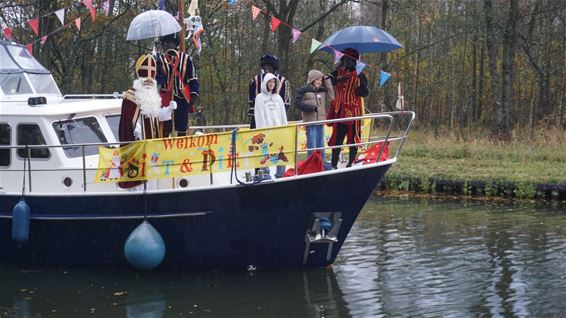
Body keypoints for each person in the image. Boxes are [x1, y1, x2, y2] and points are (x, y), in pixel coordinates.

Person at [118, 54, 176, 188]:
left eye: (151, 79)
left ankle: (153, 202)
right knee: (139, 182)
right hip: (138, 147)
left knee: (153, 179)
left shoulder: (153, 96)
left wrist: (169, 110)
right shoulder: (131, 96)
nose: (149, 82)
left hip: (153, 147)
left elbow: (158, 117)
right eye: (146, 79)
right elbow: (128, 122)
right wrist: (136, 132)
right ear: (139, 78)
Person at [327, 48, 369, 169]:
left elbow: (364, 92)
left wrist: (362, 89)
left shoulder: (360, 74)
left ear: (355, 61)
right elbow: (328, 80)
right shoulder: (338, 71)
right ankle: (334, 164)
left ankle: (351, 162)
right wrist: (337, 80)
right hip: (339, 110)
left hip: (353, 110)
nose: (347, 62)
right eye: (345, 59)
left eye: (350, 60)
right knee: (337, 137)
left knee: (353, 137)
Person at [156, 33, 200, 136]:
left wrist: (194, 94)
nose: (167, 45)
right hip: (166, 98)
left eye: (170, 43)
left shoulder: (186, 58)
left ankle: (181, 148)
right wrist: (159, 70)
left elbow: (193, 77)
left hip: (181, 97)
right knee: (166, 126)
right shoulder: (161, 60)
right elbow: (158, 81)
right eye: (165, 43)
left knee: (182, 126)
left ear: (175, 44)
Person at [294, 70, 334, 161]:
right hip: (310, 123)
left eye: (320, 80)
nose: (319, 82)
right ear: (312, 79)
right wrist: (310, 108)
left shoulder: (322, 90)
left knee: (321, 148)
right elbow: (297, 103)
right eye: (317, 79)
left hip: (320, 123)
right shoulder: (304, 90)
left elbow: (332, 97)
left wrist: (327, 80)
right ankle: (311, 166)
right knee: (312, 147)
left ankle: (321, 165)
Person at [254, 73, 288, 178]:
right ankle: (265, 174)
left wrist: (285, 128)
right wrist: (262, 132)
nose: (271, 84)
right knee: (265, 153)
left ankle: (280, 174)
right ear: (265, 83)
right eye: (269, 81)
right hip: (265, 132)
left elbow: (283, 115)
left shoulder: (278, 98)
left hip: (278, 131)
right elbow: (258, 115)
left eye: (273, 82)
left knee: (281, 153)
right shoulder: (259, 98)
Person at [248, 54, 290, 129]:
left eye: (269, 66)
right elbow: (251, 98)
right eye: (265, 66)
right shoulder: (255, 80)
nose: (266, 68)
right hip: (258, 117)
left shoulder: (283, 81)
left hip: (276, 118)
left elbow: (286, 103)